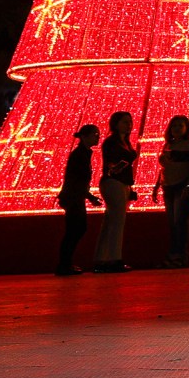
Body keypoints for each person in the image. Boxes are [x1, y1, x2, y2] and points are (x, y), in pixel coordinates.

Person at [91, 111, 137, 272]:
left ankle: (102, 258)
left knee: (111, 220)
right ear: (116, 124)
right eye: (125, 122)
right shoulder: (112, 142)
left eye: (130, 122)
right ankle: (114, 259)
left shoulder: (125, 142)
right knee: (117, 221)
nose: (128, 125)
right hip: (113, 183)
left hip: (121, 183)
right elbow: (112, 163)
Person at [152, 115, 189, 268]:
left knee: (179, 221)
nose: (177, 129)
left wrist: (188, 186)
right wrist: (157, 186)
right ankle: (174, 254)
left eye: (180, 125)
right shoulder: (168, 145)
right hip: (168, 186)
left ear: (187, 128)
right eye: (174, 126)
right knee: (173, 223)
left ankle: (179, 255)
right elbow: (165, 167)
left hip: (182, 186)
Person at [54, 125, 102, 275]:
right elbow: (76, 179)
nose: (97, 137)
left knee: (75, 229)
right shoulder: (79, 155)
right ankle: (64, 264)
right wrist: (90, 196)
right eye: (95, 134)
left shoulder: (84, 153)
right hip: (73, 197)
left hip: (76, 196)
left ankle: (65, 263)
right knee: (76, 229)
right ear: (85, 136)